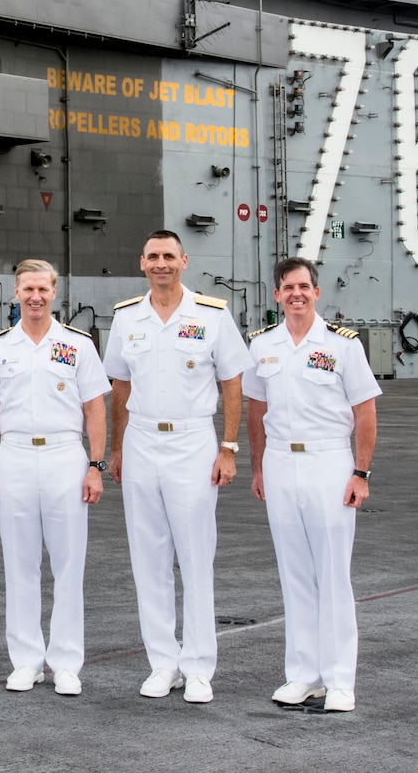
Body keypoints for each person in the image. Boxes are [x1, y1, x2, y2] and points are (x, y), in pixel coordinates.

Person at [102, 229, 251, 703]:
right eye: (153, 257)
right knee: (148, 558)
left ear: (184, 261)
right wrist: (118, 448)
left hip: (193, 442)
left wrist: (228, 448)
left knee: (195, 556)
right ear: (141, 263)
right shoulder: (127, 318)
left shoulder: (211, 315)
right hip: (142, 440)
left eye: (169, 256)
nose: (161, 263)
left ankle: (199, 667)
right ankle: (162, 663)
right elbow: (120, 388)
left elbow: (232, 383)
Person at [244, 257, 379, 713]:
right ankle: (304, 675)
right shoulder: (263, 344)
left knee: (333, 575)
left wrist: (360, 473)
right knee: (295, 573)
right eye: (288, 287)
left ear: (316, 293)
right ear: (277, 295)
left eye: (304, 286)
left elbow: (364, 410)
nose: (296, 294)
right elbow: (256, 410)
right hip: (281, 463)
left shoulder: (343, 345)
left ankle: (341, 679)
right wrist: (259, 467)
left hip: (328, 462)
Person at [0, 260, 109, 696]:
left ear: (54, 293)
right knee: (20, 563)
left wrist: (96, 466)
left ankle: (66, 662)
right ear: (16, 293)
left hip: (66, 456)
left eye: (43, 289)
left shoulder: (78, 345)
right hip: (13, 458)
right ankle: (26, 660)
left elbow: (95, 408)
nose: (35, 296)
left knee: (69, 564)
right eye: (28, 289)